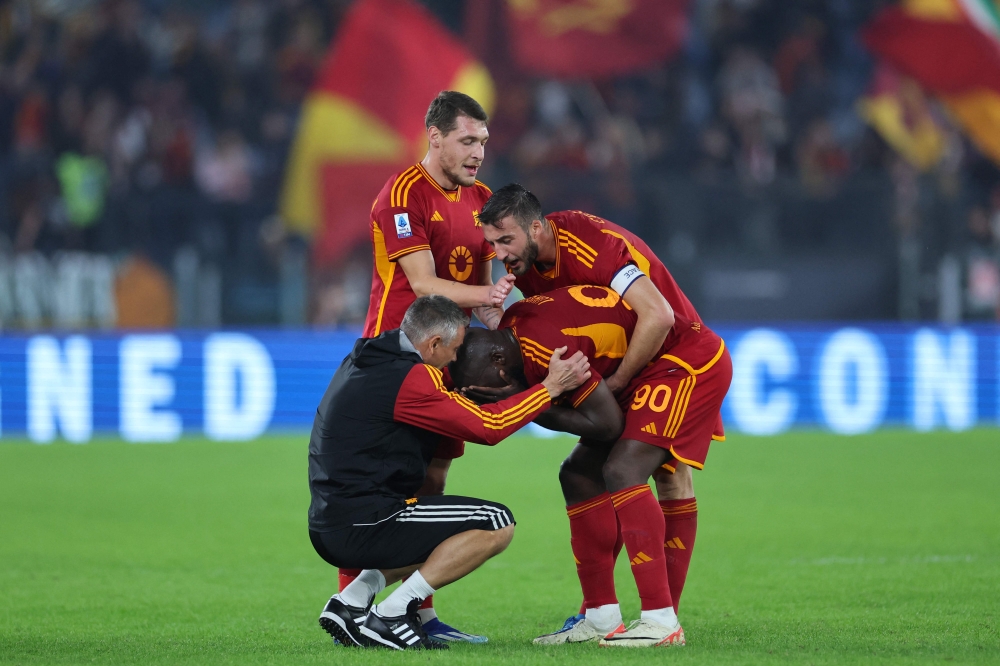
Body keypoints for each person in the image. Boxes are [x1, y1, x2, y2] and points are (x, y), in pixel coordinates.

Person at [475, 184, 730, 646]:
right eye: (492, 245)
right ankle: (600, 615)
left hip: (681, 357)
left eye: (505, 241)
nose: (499, 255)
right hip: (637, 367)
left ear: (536, 227)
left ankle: (660, 619)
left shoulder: (593, 244)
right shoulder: (529, 269)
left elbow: (658, 316)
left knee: (636, 471)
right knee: (578, 474)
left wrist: (615, 384)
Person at [309, 296, 592, 651]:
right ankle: (395, 612)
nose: (456, 359)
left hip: (333, 522)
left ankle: (351, 602)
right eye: (455, 349)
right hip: (367, 521)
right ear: (433, 344)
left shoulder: (365, 357)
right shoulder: (412, 377)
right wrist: (550, 388)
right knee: (496, 521)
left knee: (438, 527)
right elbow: (490, 427)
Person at [350, 90, 515, 641]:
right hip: (395, 360)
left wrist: (499, 305)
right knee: (389, 487)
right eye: (467, 141)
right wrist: (489, 294)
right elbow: (422, 286)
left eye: (484, 142)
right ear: (436, 137)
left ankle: (415, 614)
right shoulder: (402, 197)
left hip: (449, 362)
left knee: (435, 482)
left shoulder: (483, 199)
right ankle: (358, 605)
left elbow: (488, 294)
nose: (477, 153)